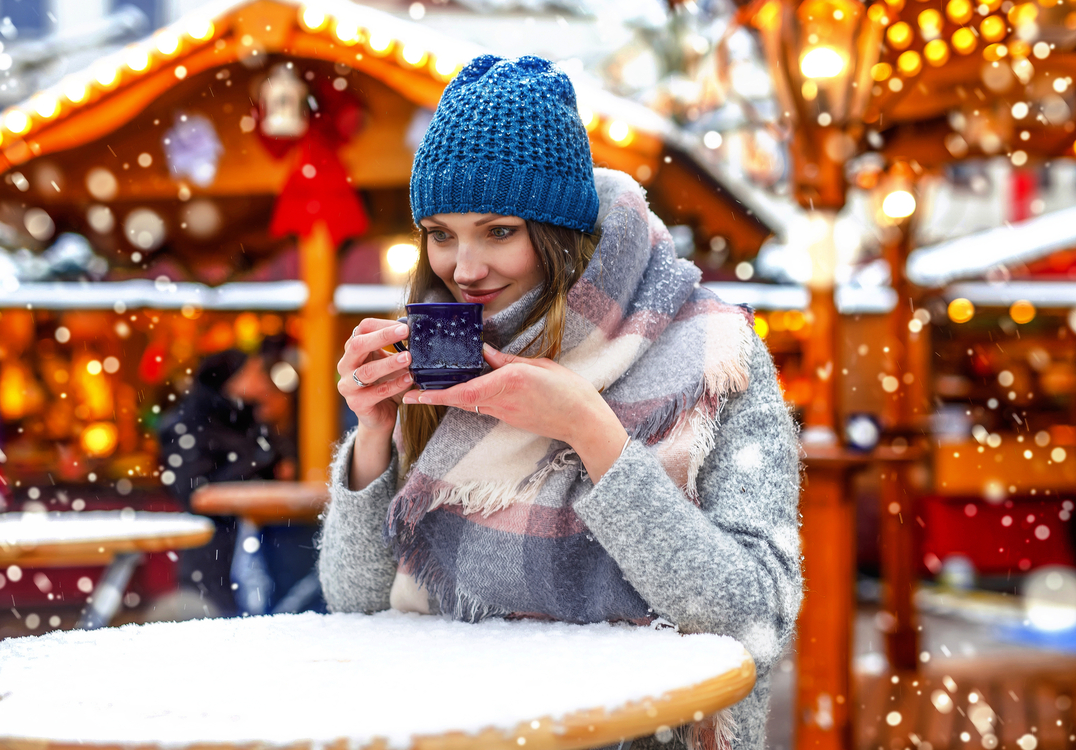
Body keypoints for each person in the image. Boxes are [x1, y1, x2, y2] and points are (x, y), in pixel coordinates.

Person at [318, 55, 801, 750]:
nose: (465, 267)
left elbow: (754, 615)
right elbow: (357, 606)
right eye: (442, 234)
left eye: (499, 230)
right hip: (459, 729)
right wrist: (371, 435)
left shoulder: (711, 351)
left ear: (562, 234)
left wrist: (585, 426)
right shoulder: (444, 355)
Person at [160, 339, 317, 618]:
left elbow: (280, 465)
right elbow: (194, 489)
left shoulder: (247, 416)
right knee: (218, 620)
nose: (261, 380)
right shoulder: (189, 423)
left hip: (265, 544)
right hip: (213, 549)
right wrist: (260, 461)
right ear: (229, 380)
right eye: (253, 372)